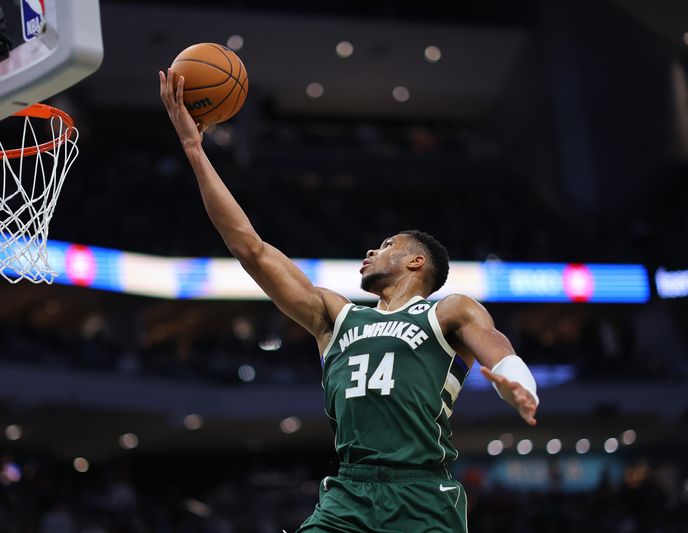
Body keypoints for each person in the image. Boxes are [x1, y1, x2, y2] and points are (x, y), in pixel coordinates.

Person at [159, 68, 539, 533]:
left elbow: (496, 346)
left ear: (417, 262)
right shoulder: (334, 316)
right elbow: (250, 248)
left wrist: (514, 380)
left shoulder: (449, 311)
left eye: (386, 244)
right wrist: (196, 151)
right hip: (348, 495)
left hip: (422, 495)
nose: (371, 251)